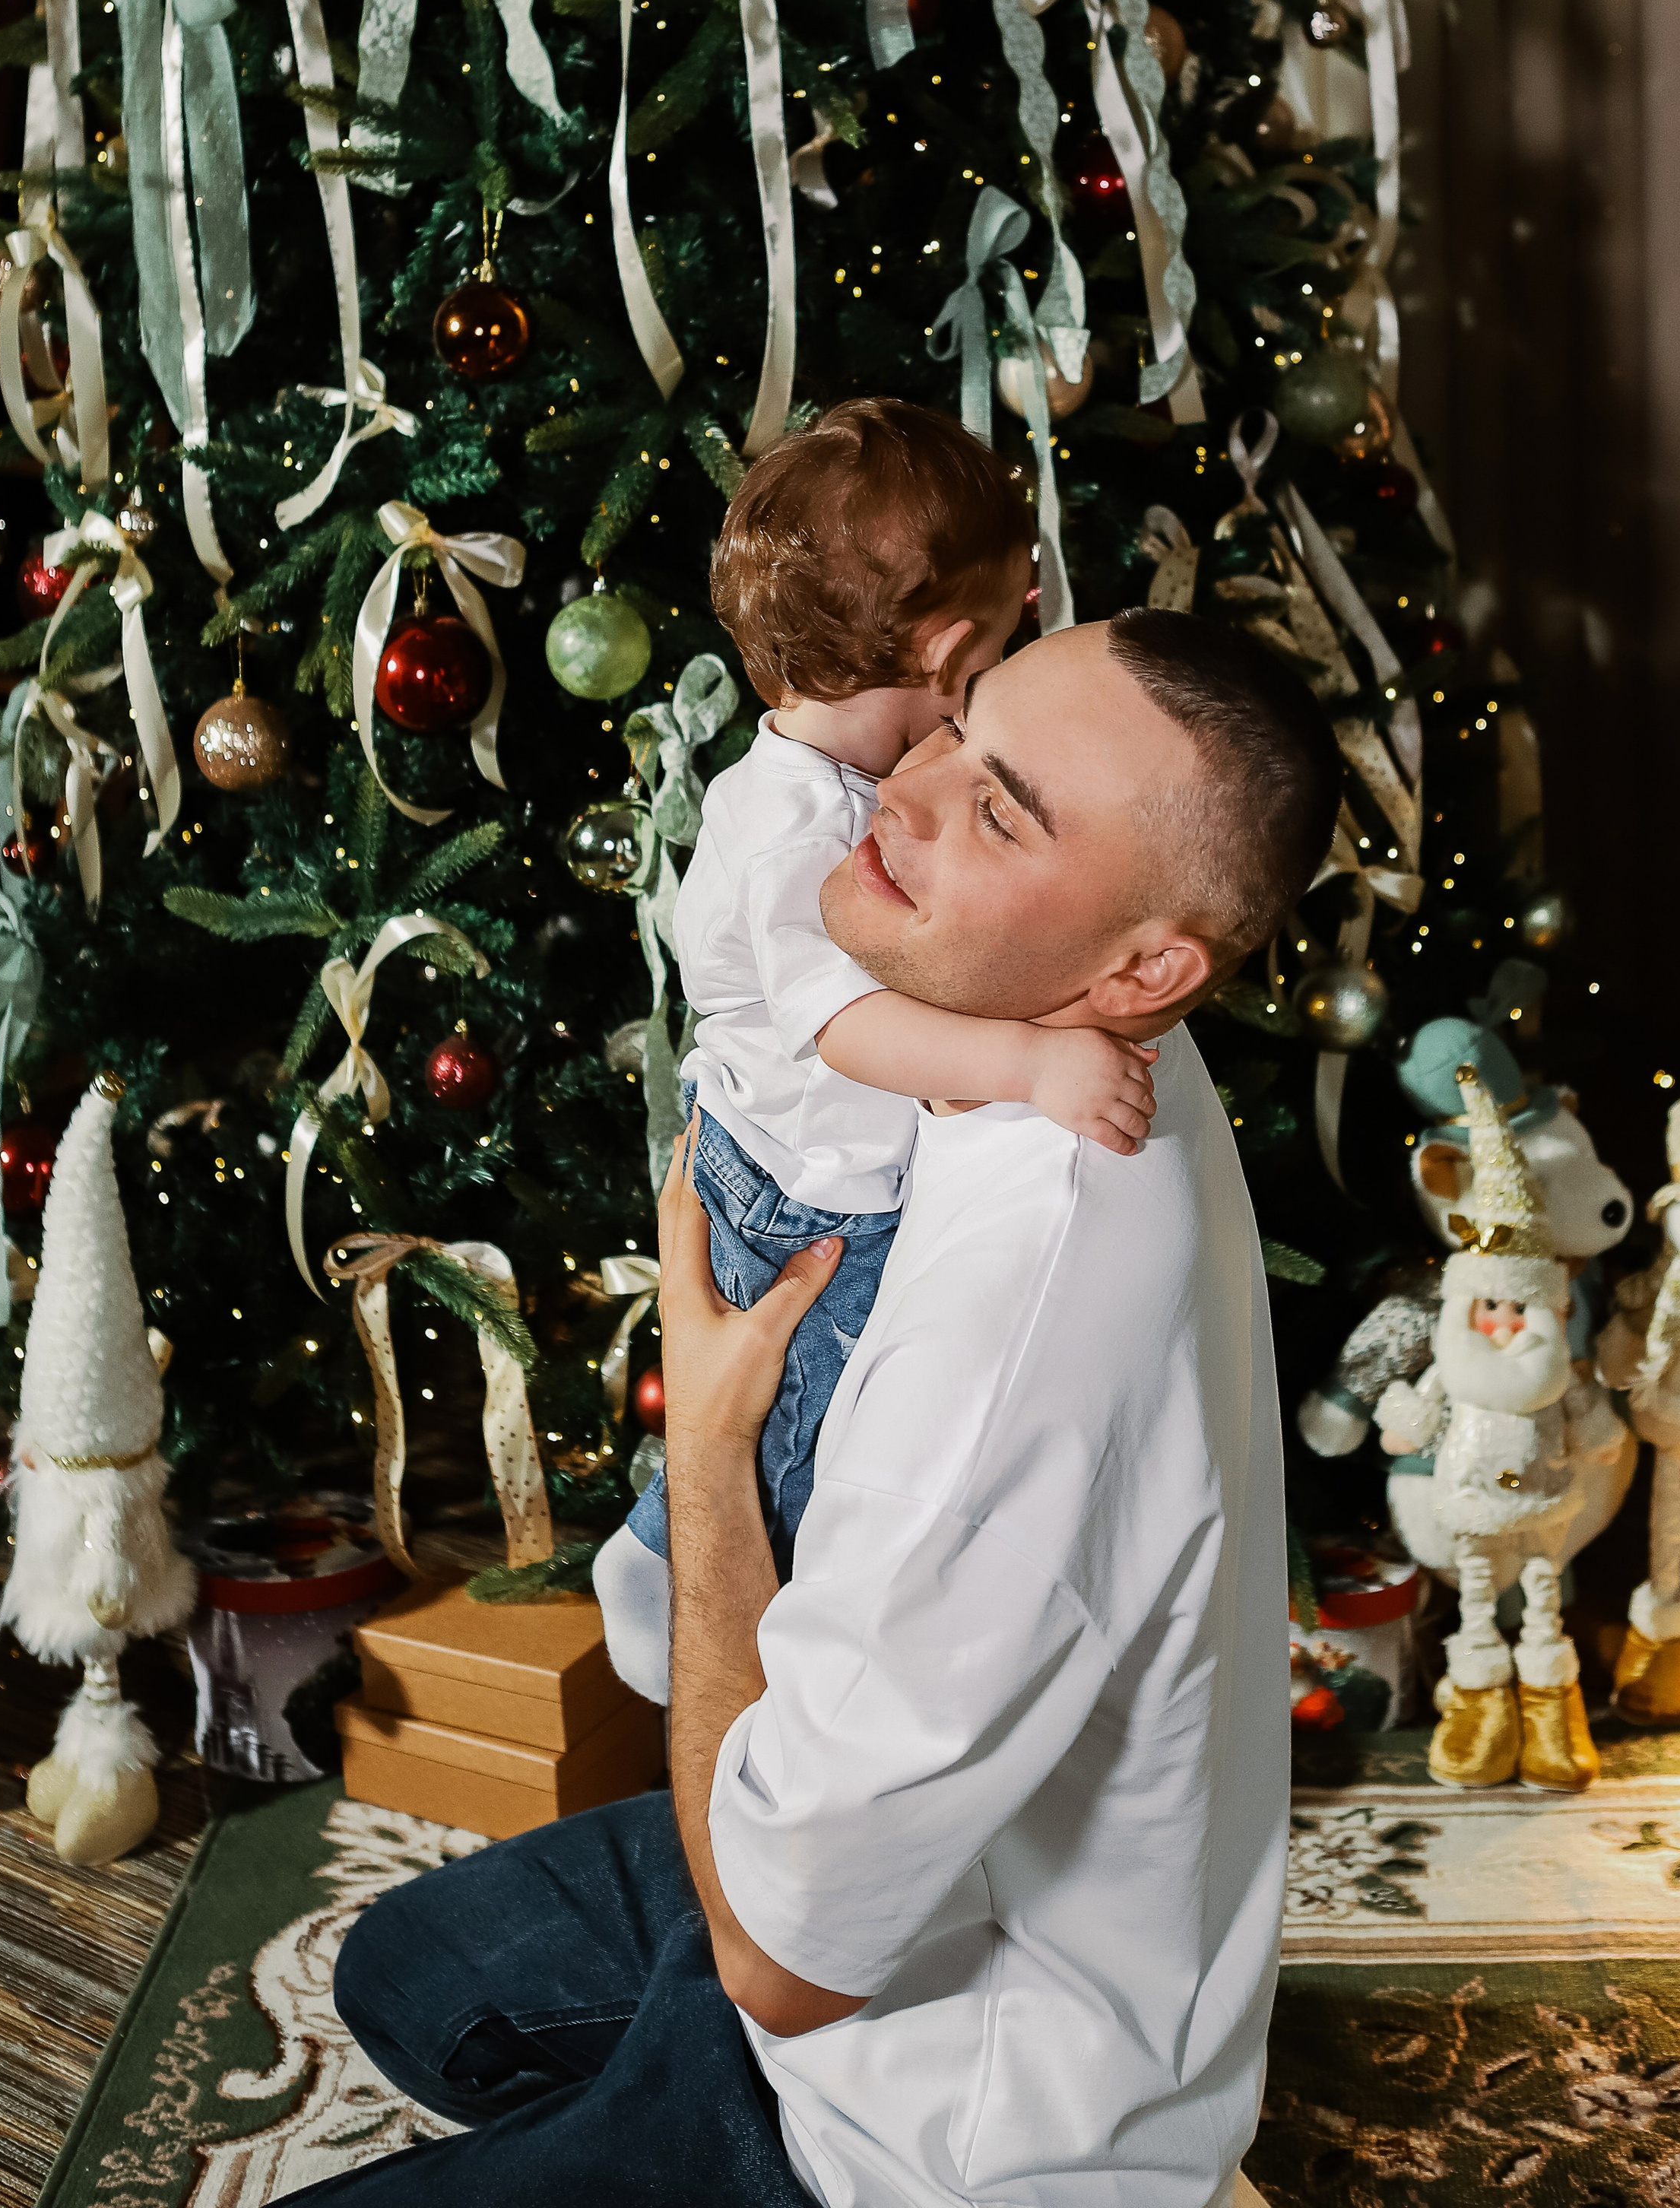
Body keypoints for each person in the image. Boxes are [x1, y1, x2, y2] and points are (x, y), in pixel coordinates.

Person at [316, 604, 1342, 2208]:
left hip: (932, 2144)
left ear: (1150, 963)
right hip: (932, 1901)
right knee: (413, 1970)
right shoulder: (1066, 1029)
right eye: (958, 728)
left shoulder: (1021, 1336)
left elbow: (784, 1971)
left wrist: (708, 1443)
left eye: (999, 811)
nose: (905, 789)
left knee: (735, 1952)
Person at [594, 400, 1160, 1704]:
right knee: (811, 1428)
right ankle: (703, 1596)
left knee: (824, 1414)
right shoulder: (791, 830)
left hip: (809, 1168)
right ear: (953, 646)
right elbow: (844, 1028)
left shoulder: (852, 780)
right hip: (804, 1196)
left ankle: (660, 1550)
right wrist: (1029, 1064)